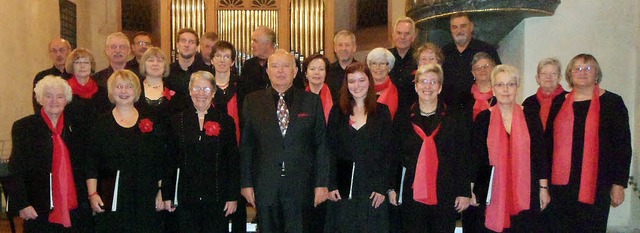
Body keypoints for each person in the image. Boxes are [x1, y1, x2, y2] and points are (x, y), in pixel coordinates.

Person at [240, 49, 330, 233]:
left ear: (295, 71)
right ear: (267, 71)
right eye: (275, 66)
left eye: (286, 66)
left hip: (300, 185)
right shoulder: (252, 101)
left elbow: (321, 144)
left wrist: (322, 183)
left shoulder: (311, 101)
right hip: (266, 185)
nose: (280, 71)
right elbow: (247, 145)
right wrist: (246, 183)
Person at [547, 54, 631, 232]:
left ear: (597, 74)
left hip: (597, 184)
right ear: (570, 74)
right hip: (561, 186)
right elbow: (548, 143)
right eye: (577, 68)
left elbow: (622, 146)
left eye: (588, 68)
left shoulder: (612, 102)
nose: (582, 72)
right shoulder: (558, 102)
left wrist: (618, 184)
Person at [471, 64, 549, 232]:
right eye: (500, 85)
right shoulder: (483, 118)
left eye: (511, 84)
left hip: (526, 190)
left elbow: (540, 155)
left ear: (517, 87)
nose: (505, 89)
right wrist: (472, 188)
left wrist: (543, 188)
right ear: (493, 88)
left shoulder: (530, 116)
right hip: (492, 189)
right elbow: (475, 157)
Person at [86, 70, 167, 233]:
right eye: (119, 87)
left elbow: (160, 160)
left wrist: (160, 191)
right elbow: (91, 162)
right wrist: (92, 194)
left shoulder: (150, 120)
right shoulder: (100, 124)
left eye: (128, 87)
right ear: (111, 91)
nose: (123, 91)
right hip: (111, 193)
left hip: (145, 192)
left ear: (136, 90)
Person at [8, 76, 91, 232]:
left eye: (59, 96)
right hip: (39, 208)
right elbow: (16, 168)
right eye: (48, 96)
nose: (54, 101)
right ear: (40, 99)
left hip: (76, 208)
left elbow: (86, 165)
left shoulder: (77, 127)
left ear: (66, 100)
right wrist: (23, 204)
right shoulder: (24, 127)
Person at [395, 64, 471, 232]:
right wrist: (392, 187)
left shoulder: (454, 117)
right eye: (423, 81)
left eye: (433, 82)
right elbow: (394, 155)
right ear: (416, 86)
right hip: (412, 191)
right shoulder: (403, 117)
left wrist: (464, 191)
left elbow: (463, 156)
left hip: (445, 190)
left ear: (440, 87)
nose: (427, 86)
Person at [162, 71, 239, 232]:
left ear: (213, 93)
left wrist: (232, 196)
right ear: (190, 91)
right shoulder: (177, 121)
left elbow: (232, 160)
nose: (201, 94)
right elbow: (169, 160)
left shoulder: (225, 121)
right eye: (196, 88)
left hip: (217, 197)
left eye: (206, 89)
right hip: (185, 197)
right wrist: (167, 194)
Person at [324, 62, 392, 233]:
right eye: (352, 81)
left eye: (361, 80)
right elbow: (329, 150)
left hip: (372, 186)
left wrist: (381, 186)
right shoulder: (337, 112)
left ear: (369, 82)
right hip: (343, 185)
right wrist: (331, 184)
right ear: (346, 85)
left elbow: (388, 153)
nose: (357, 86)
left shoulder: (382, 112)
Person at [210, 40, 246, 232]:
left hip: (237, 152)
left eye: (226, 56)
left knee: (237, 204)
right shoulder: (205, 86)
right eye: (218, 56)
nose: (222, 60)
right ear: (212, 59)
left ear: (233, 62)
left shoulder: (241, 85)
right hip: (211, 154)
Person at [441, 13, 501, 107]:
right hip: (449, 109)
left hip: (480, 107)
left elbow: (498, 77)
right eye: (455, 27)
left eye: (463, 26)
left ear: (471, 27)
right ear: (451, 30)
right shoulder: (443, 52)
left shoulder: (487, 50)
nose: (459, 30)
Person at [239, 26, 304, 99]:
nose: (252, 45)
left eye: (255, 41)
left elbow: (299, 92)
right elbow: (243, 94)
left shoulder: (290, 62)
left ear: (268, 44)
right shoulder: (249, 65)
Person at [167, 28, 211, 114]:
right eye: (183, 41)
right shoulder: (167, 72)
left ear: (197, 47)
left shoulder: (206, 73)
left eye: (191, 42)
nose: (186, 45)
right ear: (177, 44)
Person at [522, 58, 567, 132]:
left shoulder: (568, 100)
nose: (548, 77)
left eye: (553, 73)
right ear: (537, 78)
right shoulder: (529, 103)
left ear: (559, 78)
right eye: (544, 73)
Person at [32, 38, 72, 113]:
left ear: (69, 51)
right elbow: (38, 106)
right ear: (49, 54)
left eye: (62, 50)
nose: (58, 54)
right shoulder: (41, 77)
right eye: (54, 51)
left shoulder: (77, 76)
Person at [388, 17, 418, 114]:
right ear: (393, 35)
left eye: (407, 34)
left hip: (413, 114)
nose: (402, 37)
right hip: (389, 114)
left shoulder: (420, 58)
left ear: (413, 37)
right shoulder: (384, 58)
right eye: (399, 33)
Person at [135, 47, 174, 121]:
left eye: (160, 61)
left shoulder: (173, 88)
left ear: (165, 65)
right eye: (150, 60)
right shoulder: (135, 88)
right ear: (144, 64)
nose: (155, 64)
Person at [461, 52, 497, 121]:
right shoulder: (464, 97)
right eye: (478, 68)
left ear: (494, 69)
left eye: (486, 66)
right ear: (473, 73)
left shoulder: (501, 94)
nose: (482, 70)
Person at [367, 48, 399, 119]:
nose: (378, 67)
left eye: (382, 64)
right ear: (369, 66)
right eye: (374, 63)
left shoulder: (398, 91)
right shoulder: (362, 89)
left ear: (389, 67)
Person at [327, 30, 357, 102]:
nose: (343, 49)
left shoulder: (362, 70)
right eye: (340, 45)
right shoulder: (328, 71)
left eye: (347, 45)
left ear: (354, 48)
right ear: (335, 48)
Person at [303, 54, 333, 123]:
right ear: (306, 74)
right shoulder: (299, 98)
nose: (316, 72)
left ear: (326, 73)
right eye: (312, 69)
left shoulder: (335, 95)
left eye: (321, 69)